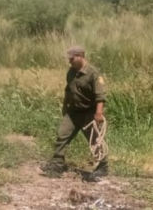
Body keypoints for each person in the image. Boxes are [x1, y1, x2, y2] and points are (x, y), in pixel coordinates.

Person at [41, 45, 109, 181]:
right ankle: (58, 163)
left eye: (72, 59)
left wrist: (99, 113)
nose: (69, 61)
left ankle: (103, 167)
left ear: (80, 56)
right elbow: (68, 90)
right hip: (73, 112)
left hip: (88, 113)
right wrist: (65, 106)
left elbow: (100, 96)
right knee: (62, 135)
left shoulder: (93, 74)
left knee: (95, 140)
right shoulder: (71, 71)